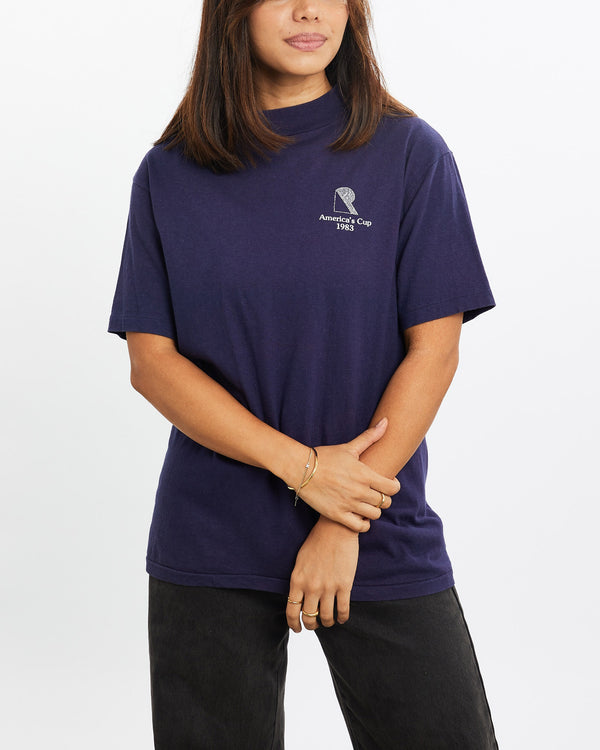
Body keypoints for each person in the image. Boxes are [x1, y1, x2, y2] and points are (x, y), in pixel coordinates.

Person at [107, 1, 499, 747]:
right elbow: (152, 362)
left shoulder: (408, 153)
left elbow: (434, 352)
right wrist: (305, 470)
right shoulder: (169, 172)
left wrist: (341, 517)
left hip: (374, 522)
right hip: (211, 536)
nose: (308, 10)